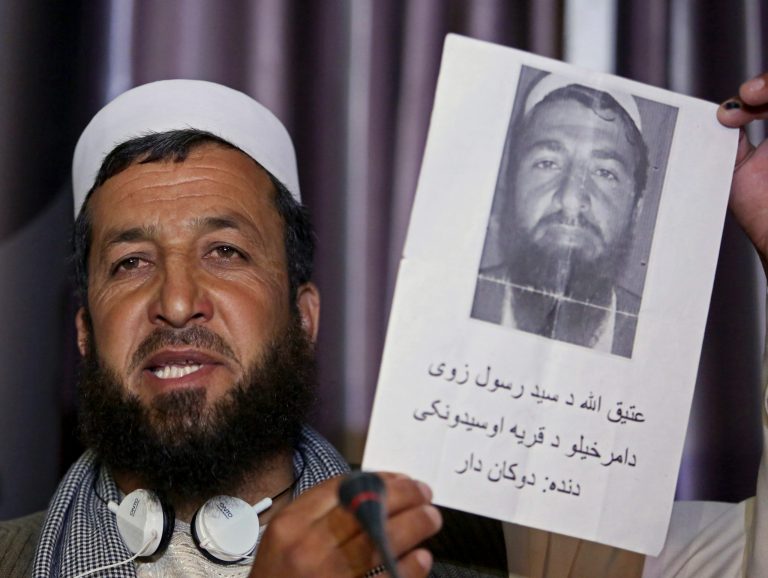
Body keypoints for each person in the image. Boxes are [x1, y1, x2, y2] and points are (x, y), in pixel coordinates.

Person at [0, 70, 766, 578]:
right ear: (83, 333)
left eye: (225, 251)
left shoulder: (494, 550)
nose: (175, 301)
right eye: (131, 263)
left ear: (305, 318)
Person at [472, 74, 652, 358]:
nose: (570, 199)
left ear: (636, 210)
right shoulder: (455, 300)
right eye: (547, 163)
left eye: (604, 172)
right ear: (511, 187)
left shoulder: (661, 339)